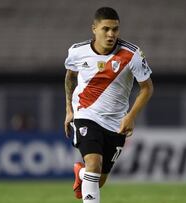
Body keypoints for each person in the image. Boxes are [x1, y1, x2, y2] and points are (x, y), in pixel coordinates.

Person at [63, 7, 153, 203]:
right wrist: (70, 110)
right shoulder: (77, 51)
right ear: (94, 29)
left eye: (115, 29)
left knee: (98, 180)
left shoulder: (132, 55)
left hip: (116, 122)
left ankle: (81, 174)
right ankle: (87, 173)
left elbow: (147, 88)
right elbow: (70, 77)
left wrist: (130, 116)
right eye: (106, 29)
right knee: (94, 164)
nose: (111, 34)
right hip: (86, 114)